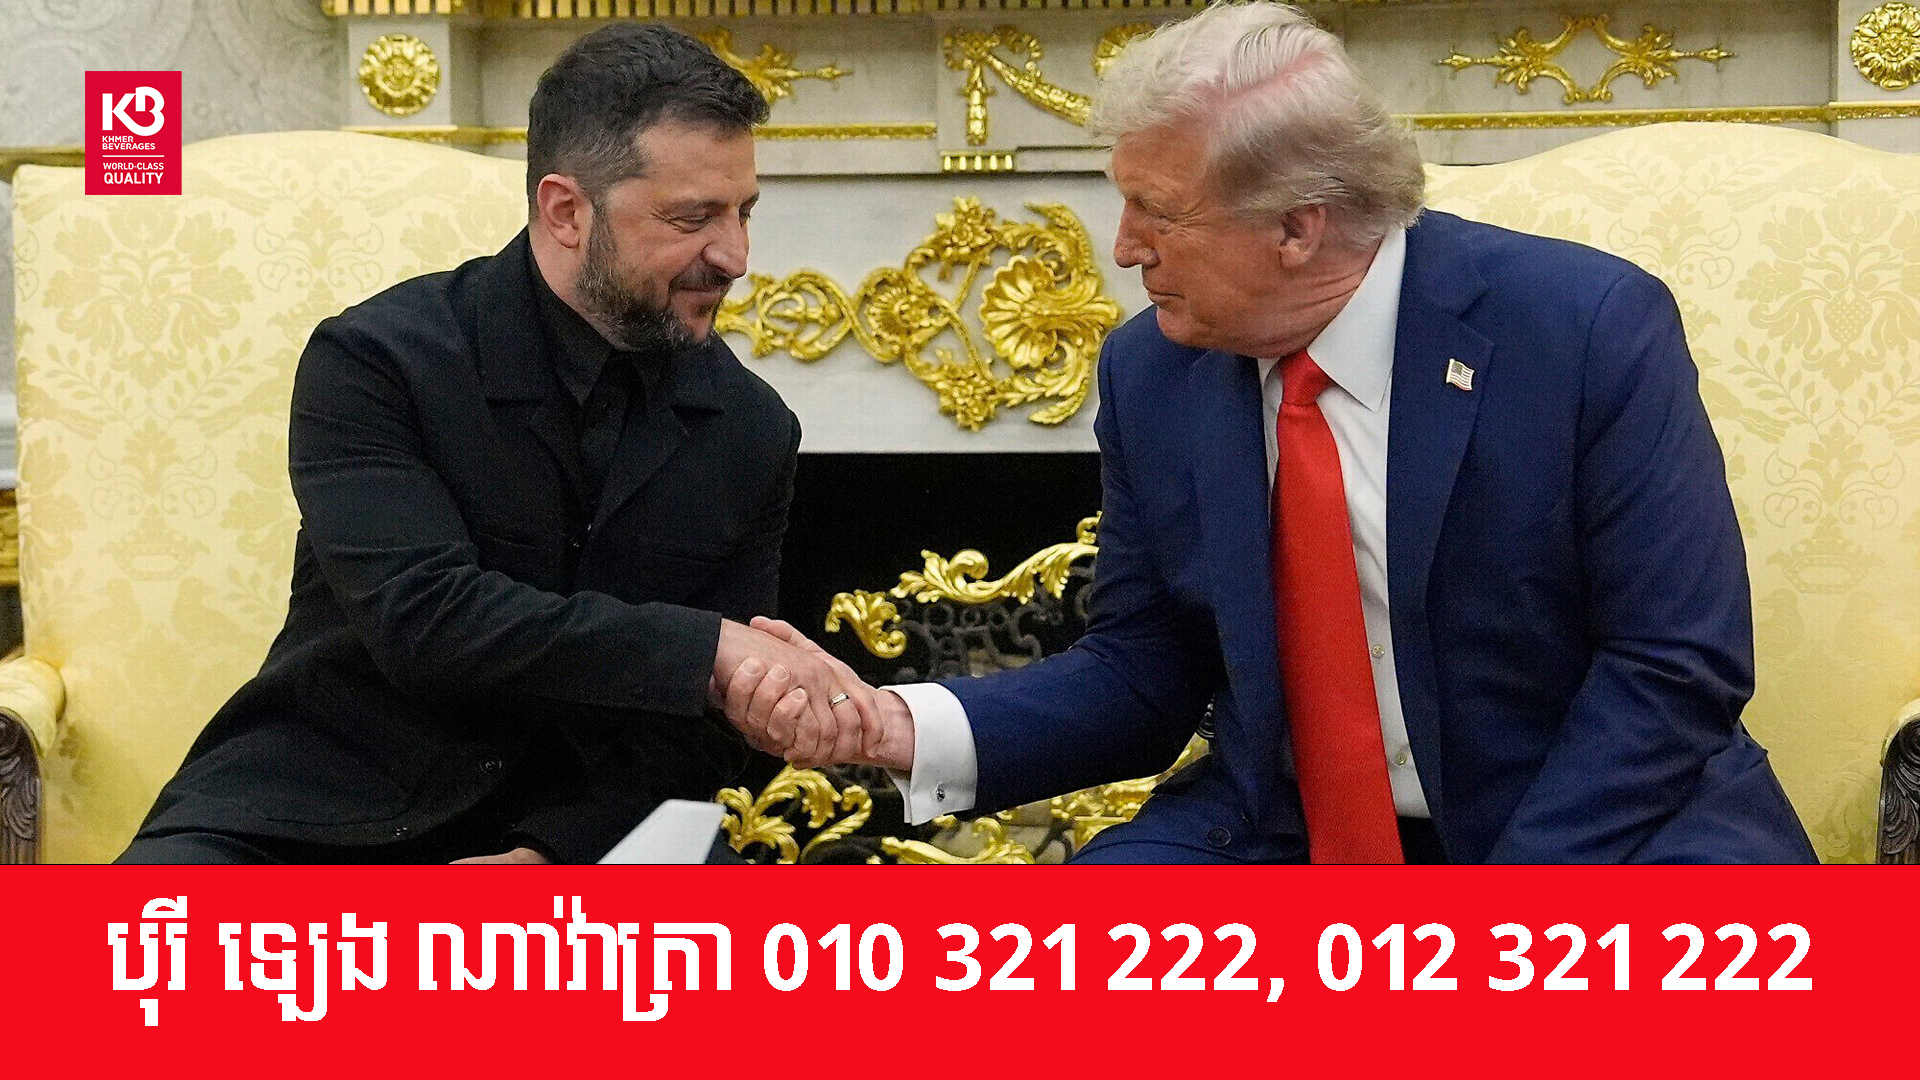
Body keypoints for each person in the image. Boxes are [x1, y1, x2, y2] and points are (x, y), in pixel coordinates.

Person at [726, 2, 1816, 863]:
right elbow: (1143, 672)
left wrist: (1491, 932)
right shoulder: (1154, 371)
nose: (1123, 247)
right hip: (1283, 832)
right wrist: (893, 723)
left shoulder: (1583, 329)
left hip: (1597, 829)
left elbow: (1674, 665)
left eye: (1159, 211)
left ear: (1298, 227)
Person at [119, 24, 877, 865]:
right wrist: (711, 649)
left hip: (587, 839)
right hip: (313, 811)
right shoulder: (376, 360)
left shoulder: (752, 427)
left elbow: (701, 731)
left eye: (744, 212)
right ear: (566, 211)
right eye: (692, 218)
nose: (735, 255)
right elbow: (427, 618)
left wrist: (544, 856)